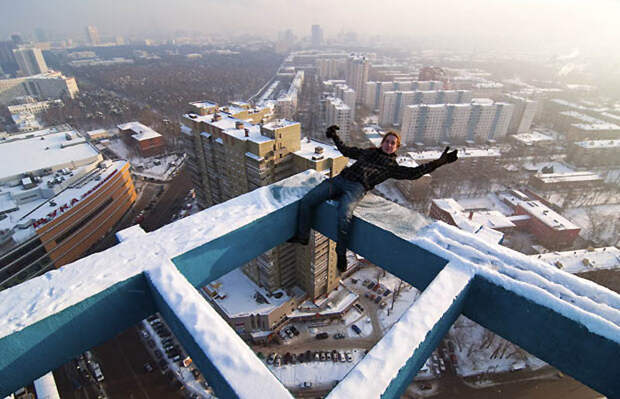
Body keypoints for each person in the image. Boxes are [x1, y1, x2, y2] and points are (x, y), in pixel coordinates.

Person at [288, 125, 458, 273]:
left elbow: (413, 174)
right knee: (307, 200)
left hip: (356, 189)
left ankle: (340, 253)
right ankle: (302, 236)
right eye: (387, 141)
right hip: (339, 180)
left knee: (344, 215)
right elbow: (347, 150)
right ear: (382, 142)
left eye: (393, 143)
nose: (389, 145)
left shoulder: (391, 167)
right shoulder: (368, 153)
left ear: (396, 148)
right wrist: (334, 136)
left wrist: (439, 162)